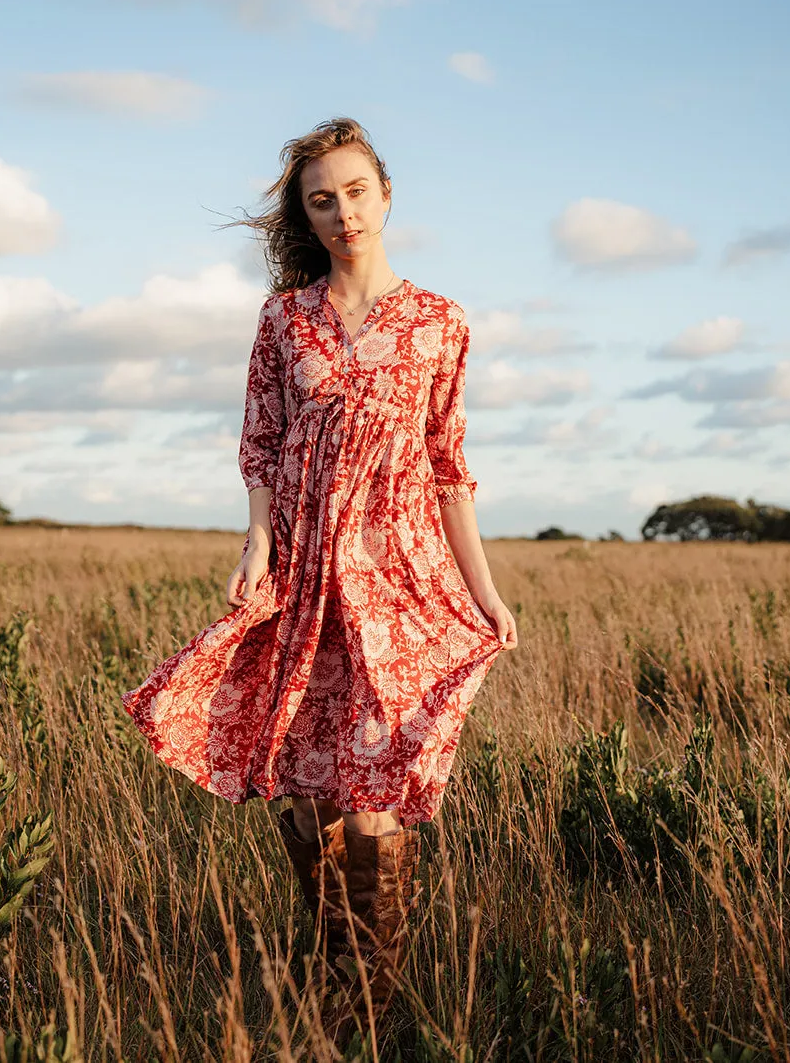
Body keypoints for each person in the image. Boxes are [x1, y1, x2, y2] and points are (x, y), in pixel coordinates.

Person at [120, 116, 518, 1051]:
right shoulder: (285, 319)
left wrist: (487, 591)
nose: (343, 212)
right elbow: (260, 439)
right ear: (306, 214)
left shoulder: (441, 323)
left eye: (356, 192)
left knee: (373, 777)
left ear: (387, 194)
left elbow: (449, 464)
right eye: (321, 199)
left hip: (402, 571)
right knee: (304, 782)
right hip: (304, 569)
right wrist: (258, 542)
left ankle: (363, 1005)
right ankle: (342, 958)